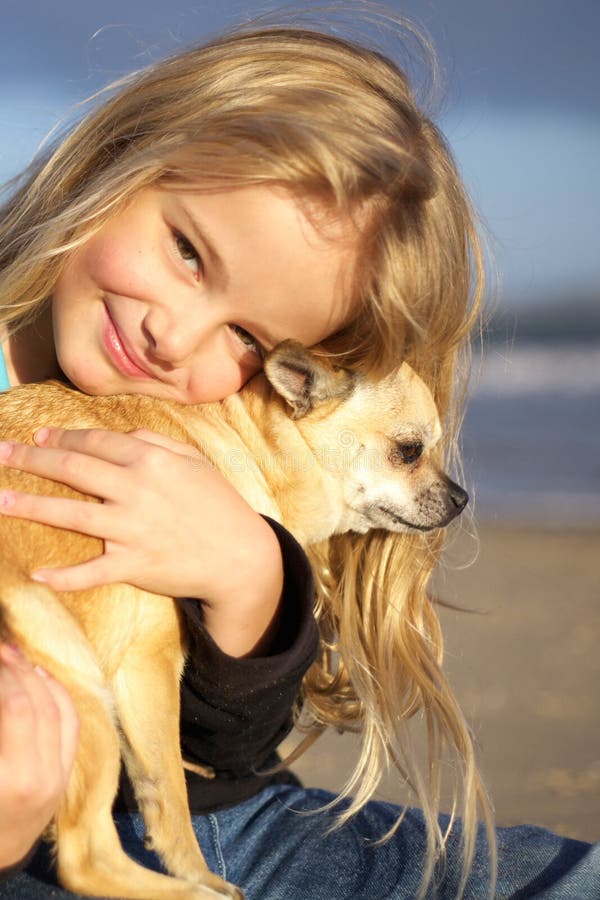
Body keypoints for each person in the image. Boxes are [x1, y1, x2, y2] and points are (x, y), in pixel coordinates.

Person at [0, 17, 597, 900]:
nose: (174, 334)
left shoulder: (222, 448)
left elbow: (225, 761)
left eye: (250, 338)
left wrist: (251, 580)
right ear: (116, 161)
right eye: (188, 250)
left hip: (230, 821)